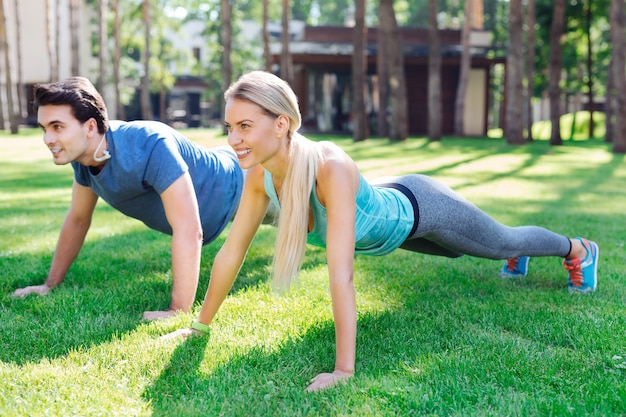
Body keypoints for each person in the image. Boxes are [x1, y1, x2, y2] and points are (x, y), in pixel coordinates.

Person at [167, 71, 599, 391]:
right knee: (465, 251)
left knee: (500, 240)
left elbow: (342, 274)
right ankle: (511, 252)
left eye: (245, 126)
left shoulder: (328, 167)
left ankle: (576, 249)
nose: (233, 139)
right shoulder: (258, 177)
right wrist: (200, 327)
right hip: (392, 230)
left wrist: (344, 370)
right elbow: (231, 253)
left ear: (281, 123)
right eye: (230, 127)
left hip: (421, 209)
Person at [12, 77, 244, 321]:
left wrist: (177, 311)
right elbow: (78, 220)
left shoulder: (149, 144)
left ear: (90, 127)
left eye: (57, 127)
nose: (47, 139)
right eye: (44, 128)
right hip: (225, 203)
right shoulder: (84, 161)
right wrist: (49, 285)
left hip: (244, 181)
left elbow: (189, 229)